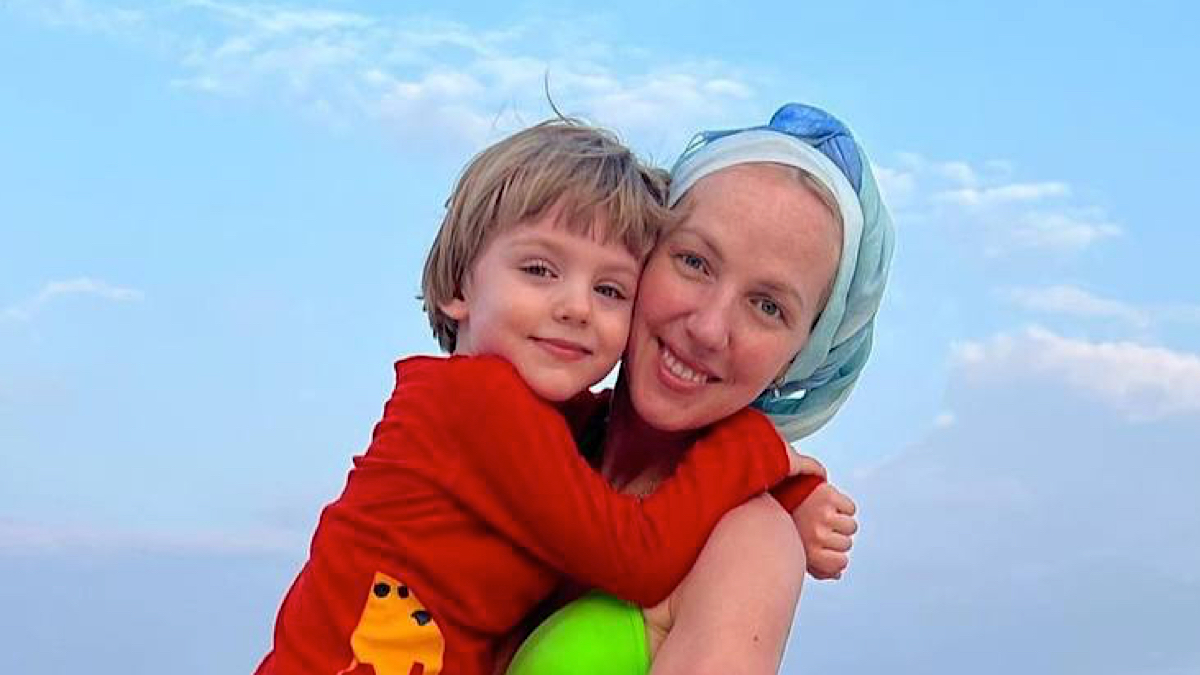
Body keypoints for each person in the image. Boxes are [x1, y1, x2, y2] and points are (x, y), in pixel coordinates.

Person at [254, 120, 818, 675]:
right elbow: (638, 558)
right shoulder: (479, 403)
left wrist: (788, 490)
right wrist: (753, 448)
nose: (576, 307)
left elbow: (607, 432)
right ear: (459, 284)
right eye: (539, 269)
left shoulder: (527, 419)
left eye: (609, 289)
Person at [506, 102, 895, 674]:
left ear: (799, 357)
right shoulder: (530, 438)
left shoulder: (746, 545)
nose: (710, 328)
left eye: (768, 306)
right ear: (641, 253)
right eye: (694, 261)